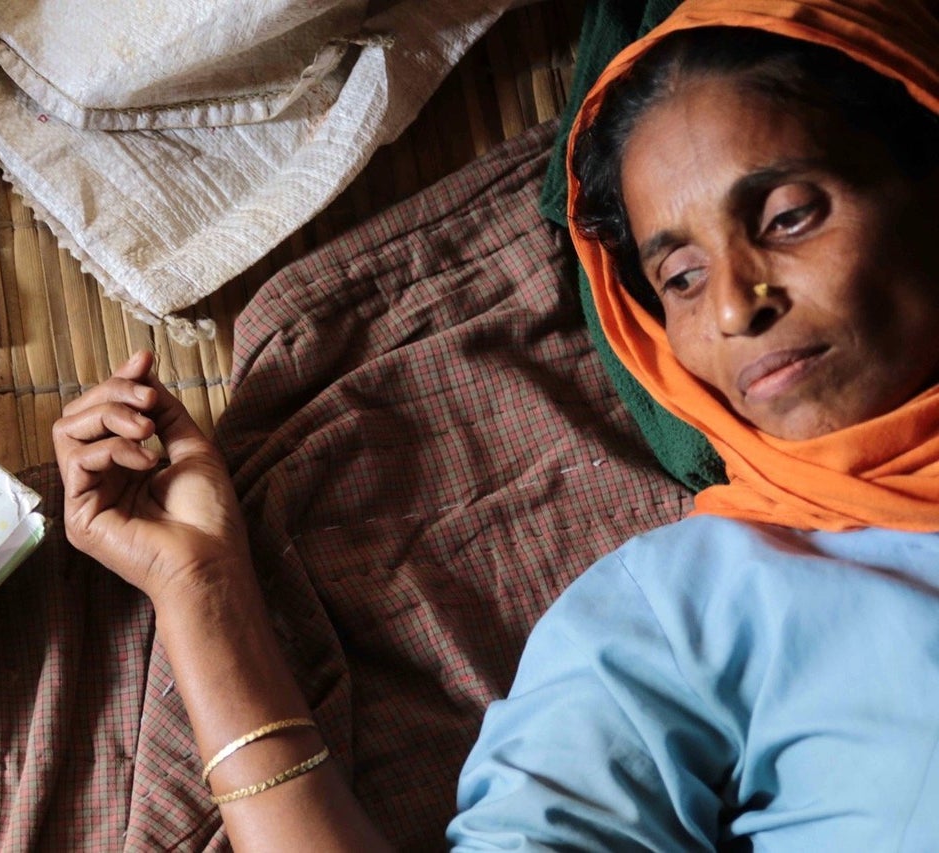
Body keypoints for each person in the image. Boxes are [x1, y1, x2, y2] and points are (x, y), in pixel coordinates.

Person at [52, 0, 939, 848]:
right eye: (680, 278)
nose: (738, 306)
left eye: (789, 217)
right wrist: (200, 588)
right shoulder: (688, 610)